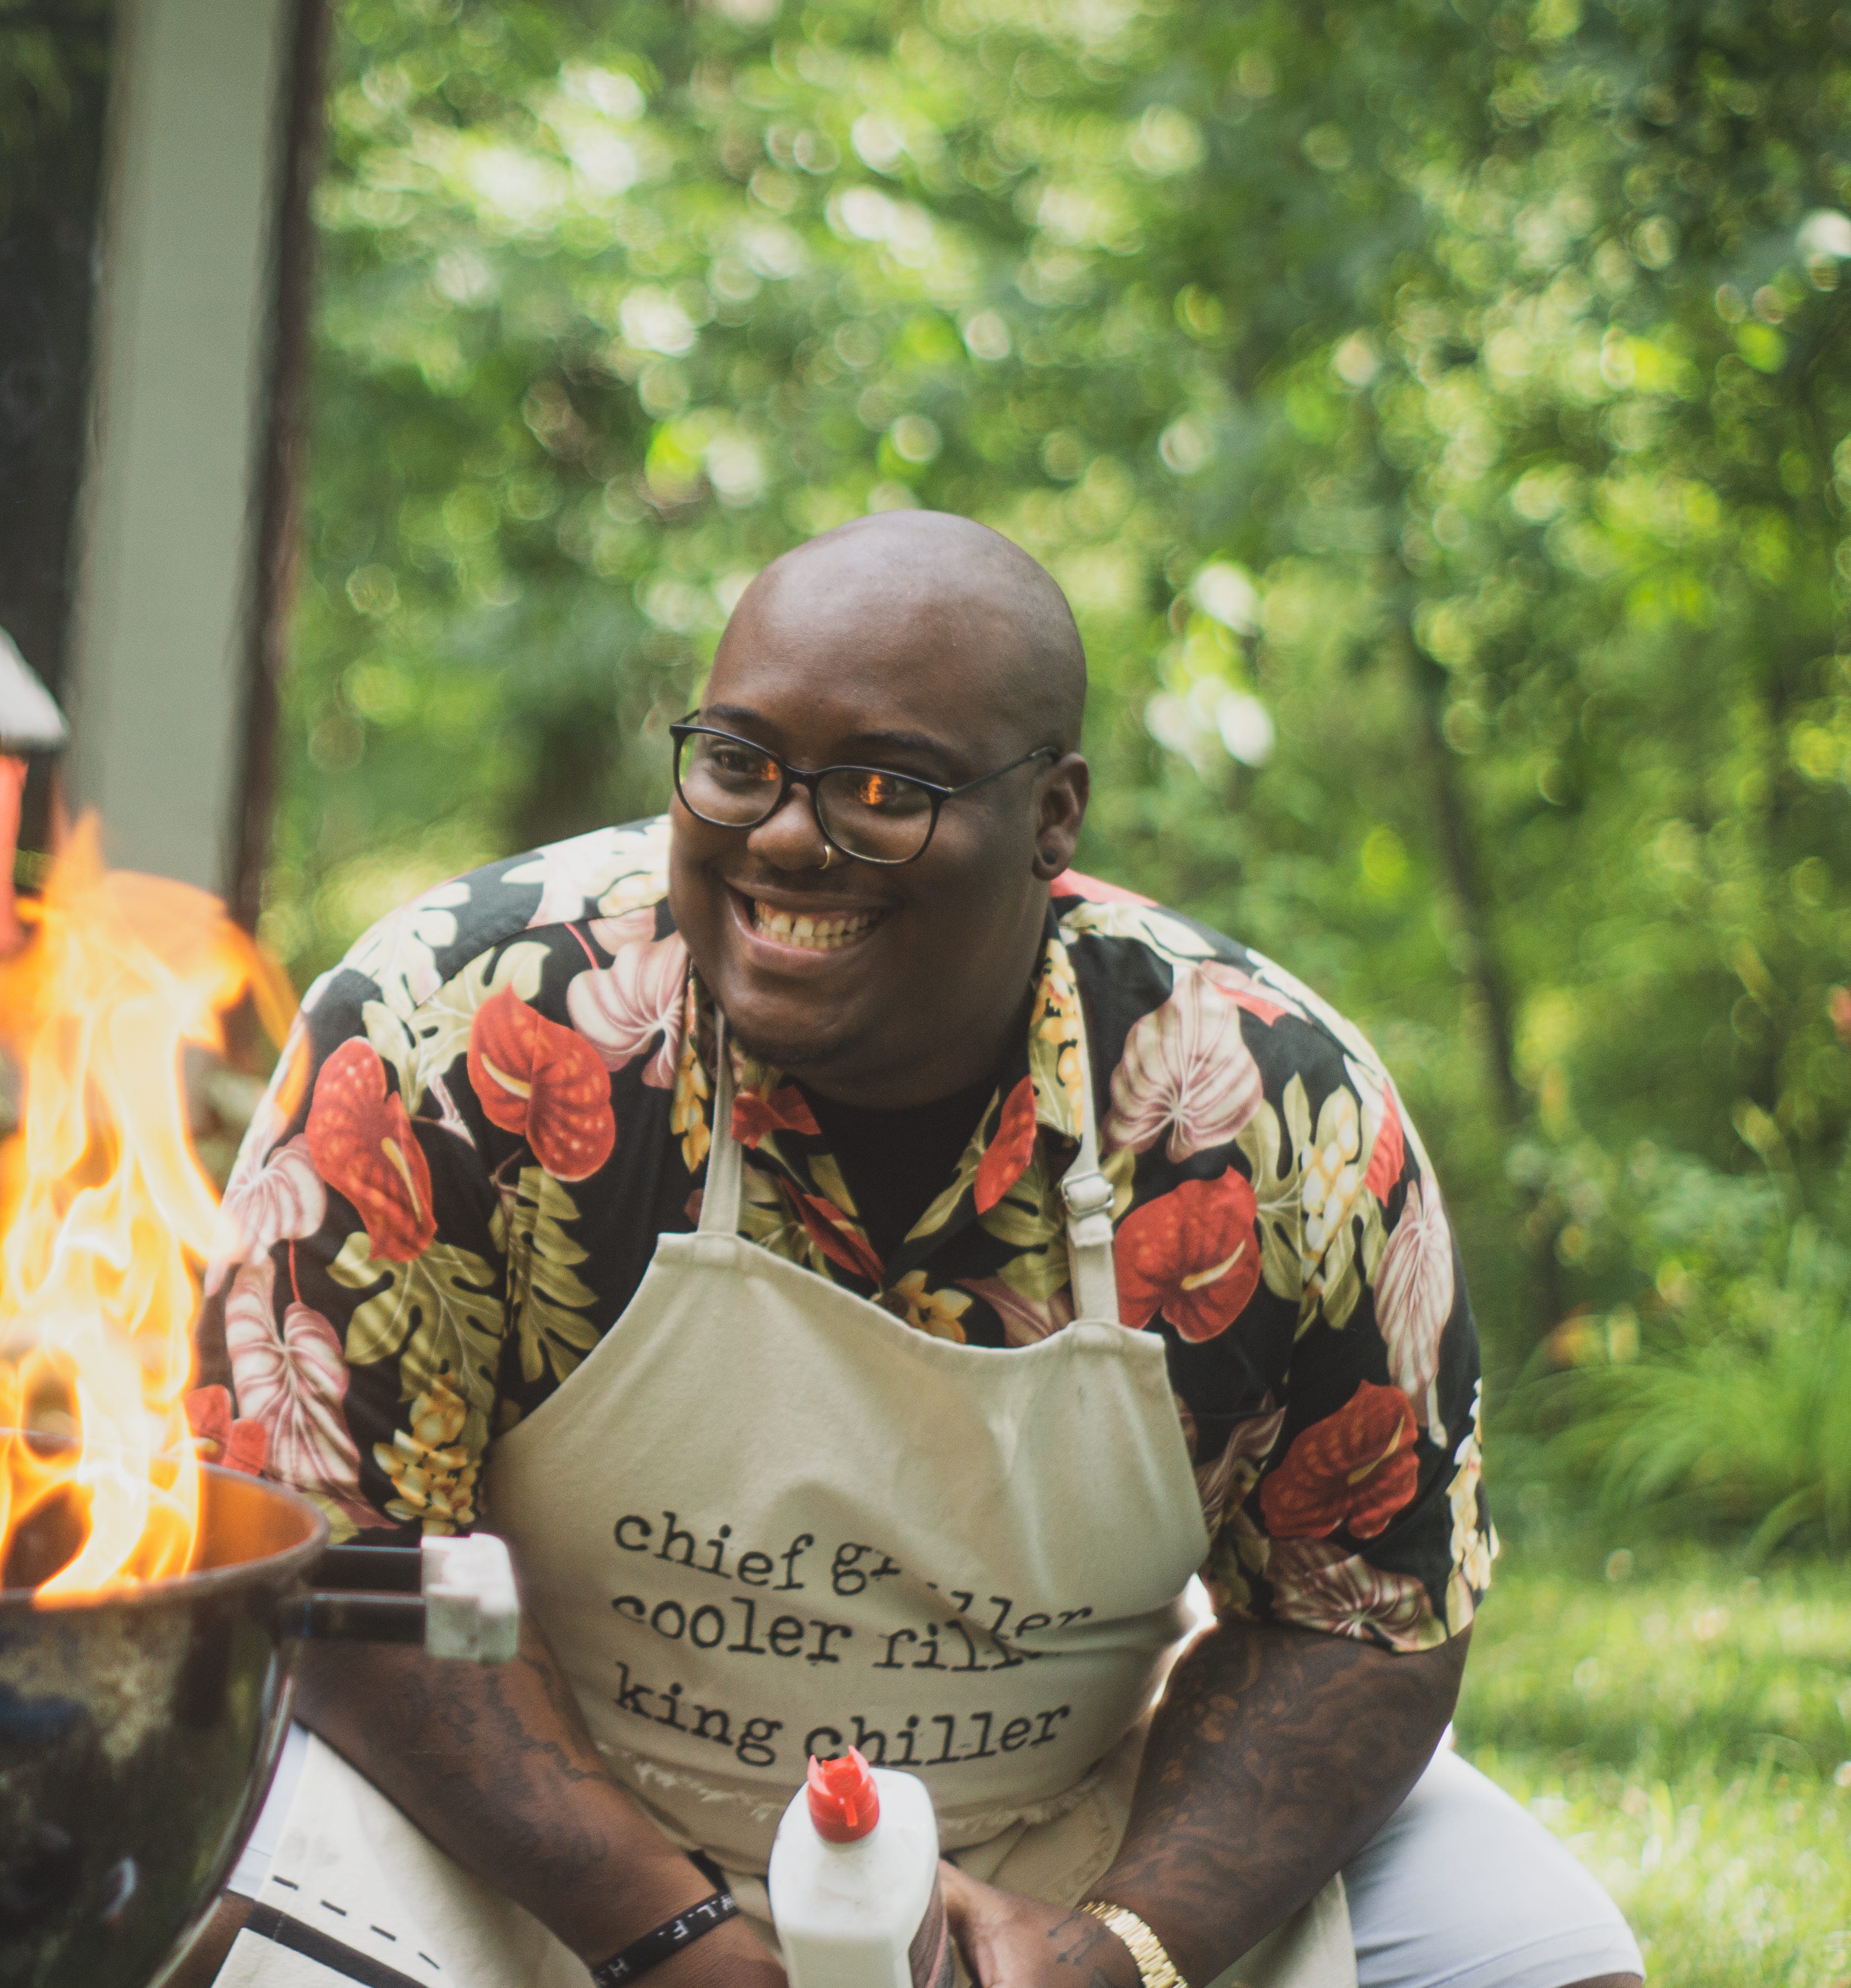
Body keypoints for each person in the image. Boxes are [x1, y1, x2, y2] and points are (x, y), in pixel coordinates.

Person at [184, 514, 1639, 1988]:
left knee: (1542, 1956)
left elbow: (1363, 1623)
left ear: (1054, 816)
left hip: (1066, 1831)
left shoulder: (1275, 1116)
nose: (788, 838)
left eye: (886, 788)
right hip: (532, 1841)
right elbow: (318, 1557)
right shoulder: (451, 1028)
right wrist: (673, 1939)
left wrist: (1125, 1951)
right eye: (741, 763)